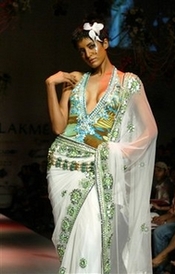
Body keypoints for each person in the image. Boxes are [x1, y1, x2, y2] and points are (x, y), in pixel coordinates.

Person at [45, 17, 157, 274]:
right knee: (71, 238)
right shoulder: (76, 80)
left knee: (93, 237)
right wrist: (50, 85)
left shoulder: (128, 82)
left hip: (98, 170)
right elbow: (59, 127)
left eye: (92, 46)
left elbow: (150, 130)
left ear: (105, 43)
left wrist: (115, 154)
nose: (88, 54)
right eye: (82, 51)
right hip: (63, 167)